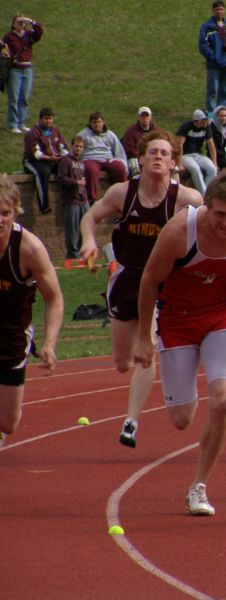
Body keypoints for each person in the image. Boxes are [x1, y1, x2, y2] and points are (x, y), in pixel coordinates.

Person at [133, 169, 226, 515]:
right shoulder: (180, 231)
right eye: (220, 213)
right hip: (177, 319)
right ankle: (185, 378)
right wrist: (144, 337)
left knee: (223, 403)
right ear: (207, 207)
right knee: (181, 419)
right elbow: (149, 281)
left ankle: (199, 486)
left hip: (223, 317)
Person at [80, 130, 203, 449]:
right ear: (142, 160)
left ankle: (131, 421)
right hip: (125, 279)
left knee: (146, 349)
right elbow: (90, 217)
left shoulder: (186, 199)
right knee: (123, 362)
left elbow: (207, 230)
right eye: (154, 152)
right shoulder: (124, 193)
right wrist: (89, 240)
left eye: (165, 153)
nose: (159, 157)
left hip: (161, 281)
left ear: (174, 163)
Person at [0, 174, 63, 449]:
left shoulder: (29, 249)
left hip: (12, 335)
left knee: (8, 423)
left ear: (15, 212)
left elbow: (54, 298)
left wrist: (49, 344)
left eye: (4, 213)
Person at [1, 14, 43, 133]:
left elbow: (39, 31)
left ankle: (22, 123)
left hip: (27, 69)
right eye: (18, 22)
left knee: (25, 97)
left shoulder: (29, 35)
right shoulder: (9, 36)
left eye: (22, 22)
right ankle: (13, 124)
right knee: (14, 97)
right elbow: (1, 45)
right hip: (15, 69)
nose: (21, 24)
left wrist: (30, 21)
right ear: (13, 24)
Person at [75, 111, 128, 205]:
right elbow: (77, 149)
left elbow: (119, 151)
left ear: (103, 122)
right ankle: (92, 200)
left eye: (99, 122)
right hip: (90, 158)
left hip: (107, 158)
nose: (97, 124)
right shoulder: (83, 135)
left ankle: (123, 196)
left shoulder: (110, 135)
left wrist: (123, 164)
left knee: (119, 167)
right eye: (94, 122)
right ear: (90, 123)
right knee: (91, 170)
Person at [22, 107, 68, 214]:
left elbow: (63, 147)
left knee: (66, 167)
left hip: (52, 160)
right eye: (46, 118)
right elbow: (36, 154)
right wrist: (51, 158)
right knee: (43, 172)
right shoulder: (32, 133)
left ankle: (69, 200)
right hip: (33, 161)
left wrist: (62, 157)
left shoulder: (55, 131)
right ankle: (44, 205)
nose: (48, 121)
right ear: (40, 119)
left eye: (50, 118)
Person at [198, 0, 226, 114]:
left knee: (225, 90)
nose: (219, 12)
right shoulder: (207, 26)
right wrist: (213, 57)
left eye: (221, 9)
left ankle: (222, 114)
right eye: (217, 9)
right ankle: (211, 114)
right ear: (213, 11)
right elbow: (203, 45)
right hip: (214, 64)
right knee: (213, 90)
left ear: (224, 10)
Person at [57, 136, 88, 259]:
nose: (78, 149)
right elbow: (61, 178)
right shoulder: (66, 161)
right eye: (76, 146)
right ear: (71, 146)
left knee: (85, 227)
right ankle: (72, 255)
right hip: (71, 200)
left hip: (83, 199)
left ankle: (83, 252)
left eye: (81, 147)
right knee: (72, 230)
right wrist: (75, 182)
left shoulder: (81, 162)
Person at [176, 109, 218, 196]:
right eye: (204, 120)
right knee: (195, 169)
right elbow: (179, 145)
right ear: (197, 120)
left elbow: (211, 145)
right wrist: (179, 163)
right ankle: (204, 196)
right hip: (185, 155)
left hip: (198, 155)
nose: (206, 122)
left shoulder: (206, 127)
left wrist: (215, 162)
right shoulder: (186, 126)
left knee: (212, 168)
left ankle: (207, 193)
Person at [122, 107, 160, 177]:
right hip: (135, 157)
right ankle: (138, 186)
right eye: (142, 116)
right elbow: (129, 150)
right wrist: (142, 155)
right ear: (138, 117)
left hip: (153, 155)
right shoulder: (131, 131)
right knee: (136, 170)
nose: (145, 118)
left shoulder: (157, 131)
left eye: (147, 116)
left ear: (150, 117)